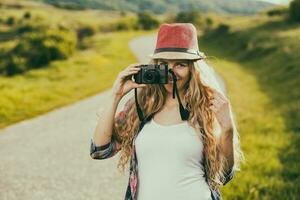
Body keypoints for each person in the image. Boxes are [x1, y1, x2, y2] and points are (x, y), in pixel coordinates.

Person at [90, 23, 244, 200]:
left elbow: (223, 175)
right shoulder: (141, 106)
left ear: (193, 68)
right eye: (164, 64)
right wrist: (115, 96)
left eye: (180, 64)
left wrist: (228, 129)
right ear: (155, 65)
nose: (171, 73)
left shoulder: (208, 106)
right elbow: (99, 150)